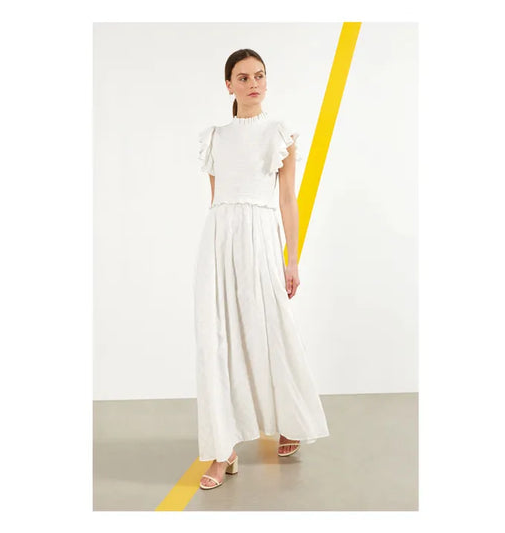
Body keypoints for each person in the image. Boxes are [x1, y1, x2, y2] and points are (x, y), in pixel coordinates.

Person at [194, 49, 330, 490]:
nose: (253, 84)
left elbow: (288, 199)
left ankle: (291, 419)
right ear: (228, 85)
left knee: (271, 330)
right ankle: (223, 450)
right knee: (216, 340)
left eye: (259, 76)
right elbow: (217, 199)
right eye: (243, 77)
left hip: (260, 237)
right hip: (219, 239)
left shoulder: (278, 133)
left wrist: (292, 260)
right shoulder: (215, 138)